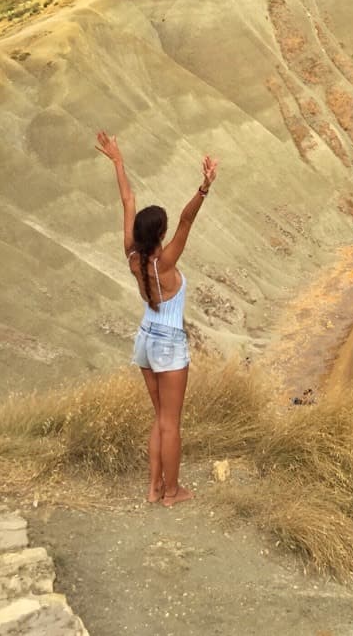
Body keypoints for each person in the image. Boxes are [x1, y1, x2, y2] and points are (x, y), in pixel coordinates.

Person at [96, 131, 218, 507]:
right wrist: (204, 187)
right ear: (161, 234)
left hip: (145, 339)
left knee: (160, 417)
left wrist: (118, 161)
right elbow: (187, 221)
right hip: (168, 344)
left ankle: (152, 488)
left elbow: (127, 200)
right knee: (171, 423)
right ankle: (171, 492)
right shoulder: (164, 263)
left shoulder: (132, 256)